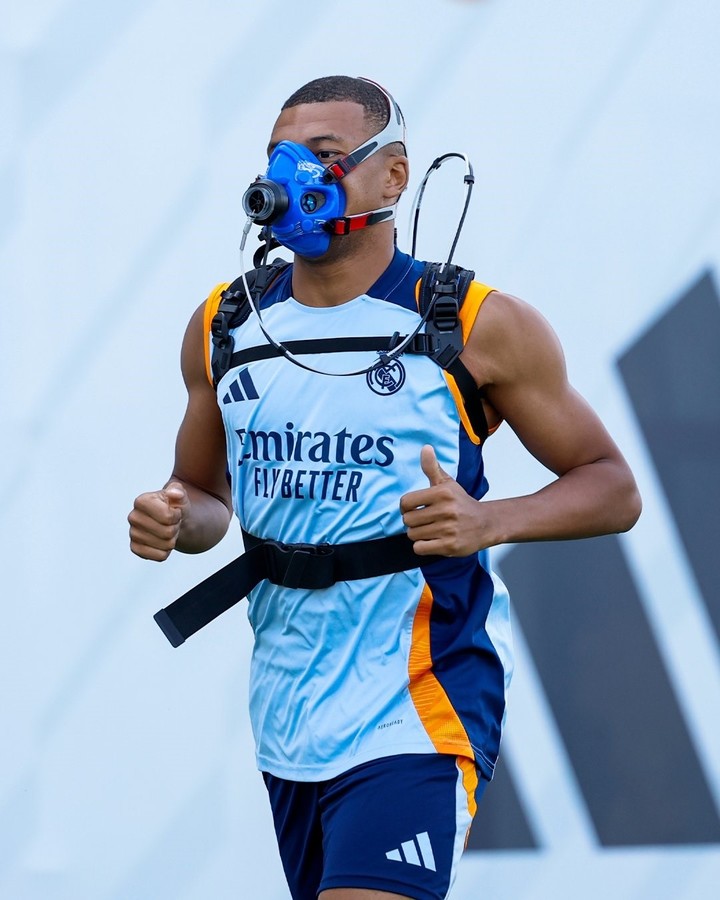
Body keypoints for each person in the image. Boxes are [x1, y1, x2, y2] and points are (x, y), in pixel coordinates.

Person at [128, 76, 641, 900]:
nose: (294, 175)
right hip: (288, 704)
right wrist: (172, 517)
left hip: (423, 697)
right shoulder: (223, 322)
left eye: (326, 157)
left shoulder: (472, 320)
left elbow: (613, 487)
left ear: (392, 177)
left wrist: (488, 522)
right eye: (280, 157)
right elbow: (202, 496)